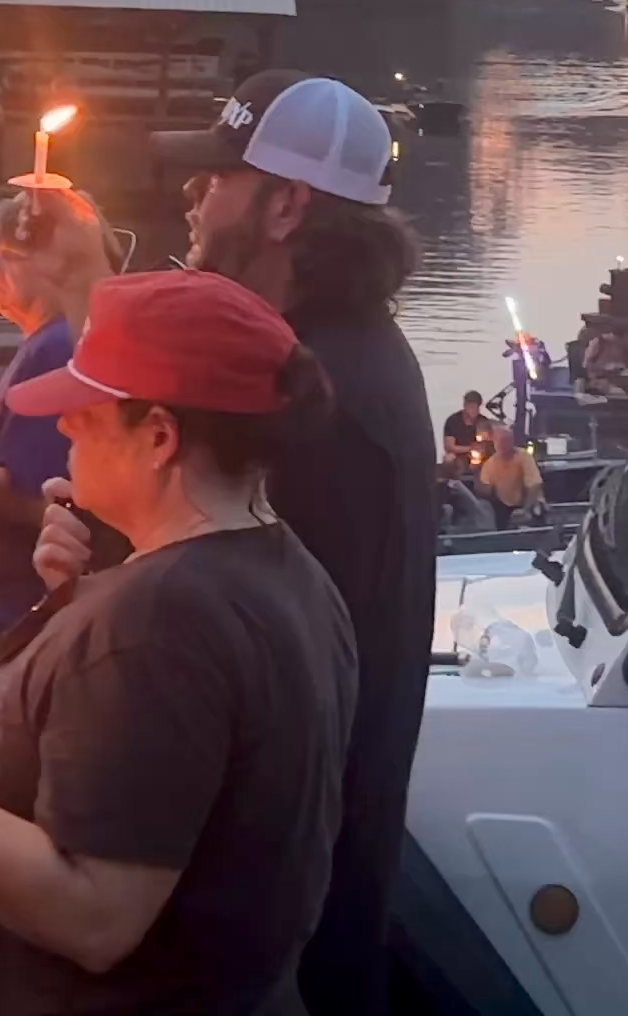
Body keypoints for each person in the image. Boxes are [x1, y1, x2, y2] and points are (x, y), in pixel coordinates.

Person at [0, 271, 356, 1016]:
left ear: (158, 436)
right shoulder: (291, 577)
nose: (65, 425)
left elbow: (96, 914)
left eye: (86, 406)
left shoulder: (162, 624)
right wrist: (90, 591)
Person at [139, 70, 435, 1015]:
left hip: (277, 936)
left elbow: (258, 673)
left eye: (216, 175)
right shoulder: (338, 356)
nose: (191, 194)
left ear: (286, 207)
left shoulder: (320, 403)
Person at [0, 191, 128, 645]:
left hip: (13, 607)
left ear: (49, 264)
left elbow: (37, 495)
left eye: (8, 256)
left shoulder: (56, 347)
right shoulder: (41, 343)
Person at [477, 425, 545, 529]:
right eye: (499, 441)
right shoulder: (489, 464)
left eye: (505, 440)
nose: (502, 444)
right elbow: (486, 491)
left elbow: (534, 485)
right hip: (505, 507)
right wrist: (476, 471)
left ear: (512, 441)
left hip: (528, 504)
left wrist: (525, 510)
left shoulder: (524, 456)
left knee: (535, 512)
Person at [442, 390, 488, 469]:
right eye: (471, 407)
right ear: (464, 405)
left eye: (476, 407)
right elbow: (449, 447)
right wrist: (471, 449)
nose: (473, 410)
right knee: (449, 458)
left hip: (479, 457)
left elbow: (486, 444)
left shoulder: (483, 421)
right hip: (458, 456)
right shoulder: (453, 421)